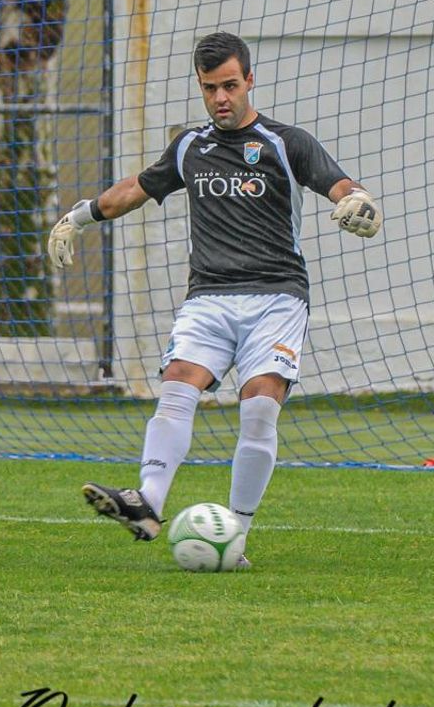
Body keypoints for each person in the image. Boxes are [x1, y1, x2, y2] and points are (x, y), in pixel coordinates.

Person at [47, 31, 382, 568]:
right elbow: (137, 187)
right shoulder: (189, 146)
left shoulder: (286, 142)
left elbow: (339, 185)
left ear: (250, 80)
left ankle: (236, 535)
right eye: (210, 89)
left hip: (277, 297)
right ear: (201, 89)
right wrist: (78, 217)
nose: (221, 98)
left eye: (230, 85)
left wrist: (359, 202)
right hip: (208, 297)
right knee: (178, 382)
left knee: (259, 407)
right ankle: (147, 504)